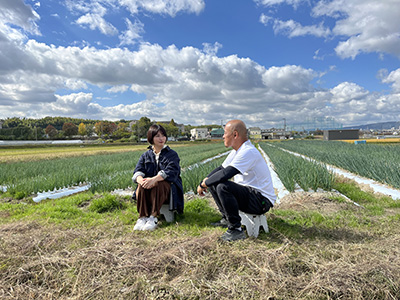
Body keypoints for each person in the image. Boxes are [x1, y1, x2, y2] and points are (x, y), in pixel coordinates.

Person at [197, 119, 276, 241]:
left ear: (235, 134)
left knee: (223, 186)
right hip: (250, 195)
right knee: (214, 182)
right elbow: (220, 169)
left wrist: (204, 184)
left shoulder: (248, 151)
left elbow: (226, 173)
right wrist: (205, 182)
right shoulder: (237, 151)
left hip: (261, 201)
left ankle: (236, 230)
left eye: (225, 133)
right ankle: (227, 219)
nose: (223, 136)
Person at [132, 124, 184, 231]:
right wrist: (141, 181)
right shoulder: (146, 155)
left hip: (168, 188)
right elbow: (138, 171)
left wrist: (154, 179)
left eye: (163, 136)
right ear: (151, 138)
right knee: (142, 184)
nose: (161, 139)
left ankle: (153, 217)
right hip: (149, 188)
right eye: (157, 136)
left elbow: (172, 172)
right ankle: (142, 217)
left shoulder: (172, 154)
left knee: (158, 183)